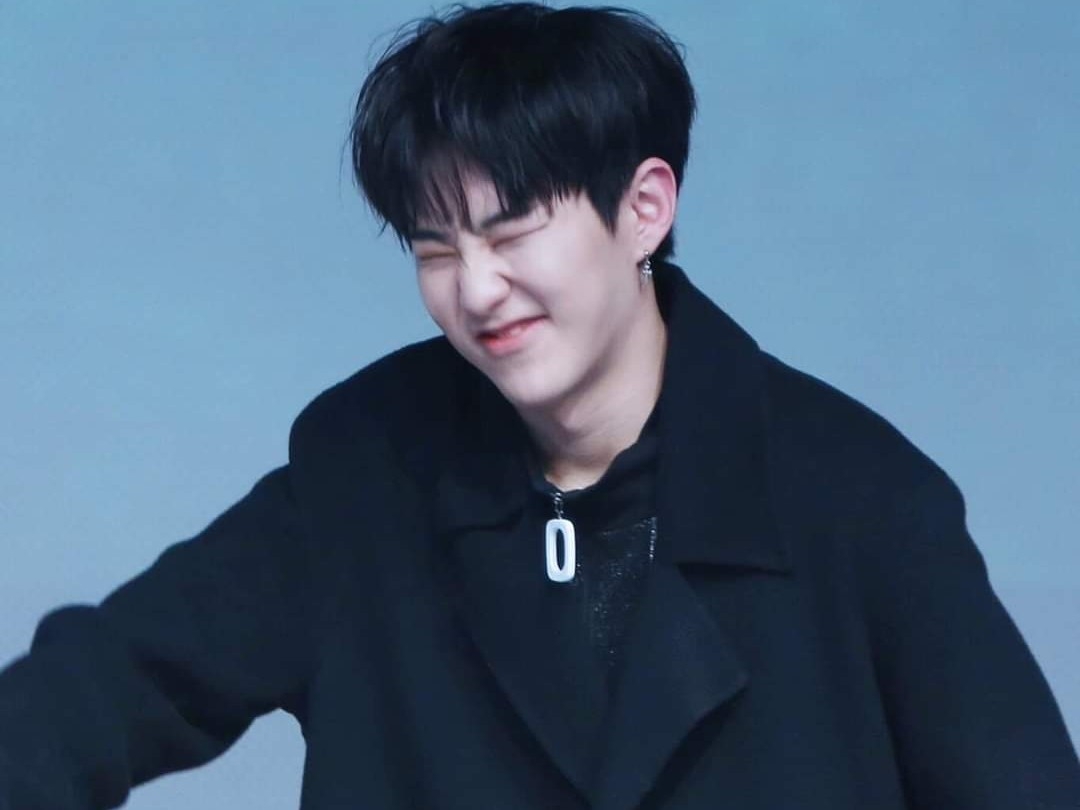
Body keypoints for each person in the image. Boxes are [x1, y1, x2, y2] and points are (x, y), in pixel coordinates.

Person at [1, 3, 1078, 808]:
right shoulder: (365, 470)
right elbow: (92, 695)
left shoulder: (858, 497)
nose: (475, 290)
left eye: (512, 232)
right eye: (435, 248)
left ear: (645, 207)